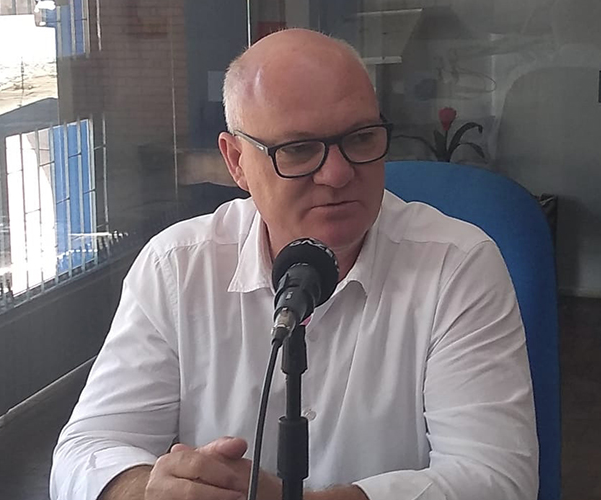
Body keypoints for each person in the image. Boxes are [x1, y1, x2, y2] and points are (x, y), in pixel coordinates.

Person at [50, 29, 538, 500]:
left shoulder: (457, 265)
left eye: (361, 138)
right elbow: (86, 450)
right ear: (236, 162)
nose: (338, 173)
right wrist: (149, 492)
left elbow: (497, 480)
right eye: (299, 150)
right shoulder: (177, 267)